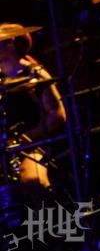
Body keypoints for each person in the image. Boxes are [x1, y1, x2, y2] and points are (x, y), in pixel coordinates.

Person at [0, 23, 67, 206]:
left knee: (32, 180)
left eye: (3, 43)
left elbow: (58, 115)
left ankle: (54, 220)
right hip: (9, 145)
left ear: (13, 44)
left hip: (38, 143)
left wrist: (24, 138)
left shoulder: (34, 73)